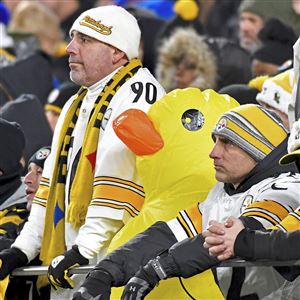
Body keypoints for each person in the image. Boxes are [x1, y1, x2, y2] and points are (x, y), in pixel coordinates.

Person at [0, 5, 165, 299]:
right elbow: (48, 187)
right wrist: (21, 250)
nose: (70, 48)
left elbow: (117, 184)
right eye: (73, 37)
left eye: (85, 40)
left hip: (114, 268)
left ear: (117, 52)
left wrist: (83, 250)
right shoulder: (78, 101)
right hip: (76, 263)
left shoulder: (139, 96)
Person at [72, 104, 300, 300]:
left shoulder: (286, 187)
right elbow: (165, 235)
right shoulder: (223, 193)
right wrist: (104, 272)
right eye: (215, 141)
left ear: (258, 148)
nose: (213, 152)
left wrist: (157, 269)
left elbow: (232, 238)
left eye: (227, 142)